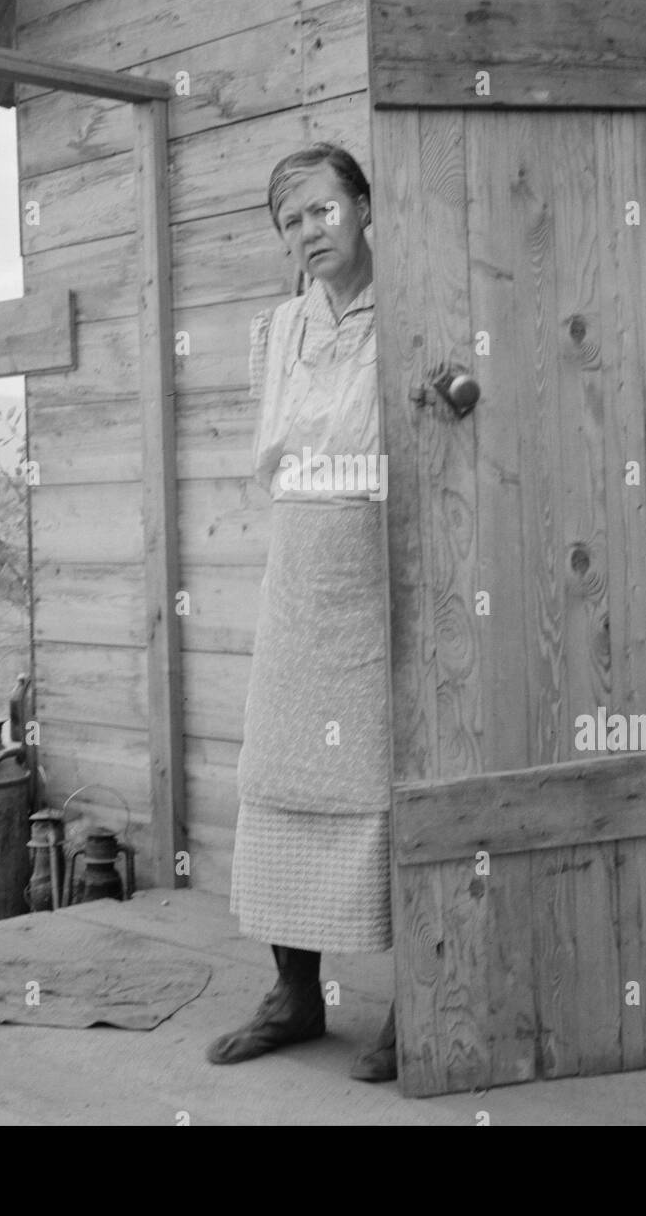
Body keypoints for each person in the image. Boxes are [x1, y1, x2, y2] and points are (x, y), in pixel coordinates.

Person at [205, 143, 397, 1083]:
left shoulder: (413, 305)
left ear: (362, 206)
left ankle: (423, 997)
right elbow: (275, 452)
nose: (310, 232)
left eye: (323, 210)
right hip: (299, 567)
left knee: (378, 779)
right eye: (292, 221)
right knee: (282, 772)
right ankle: (296, 994)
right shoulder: (279, 328)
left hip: (383, 565)